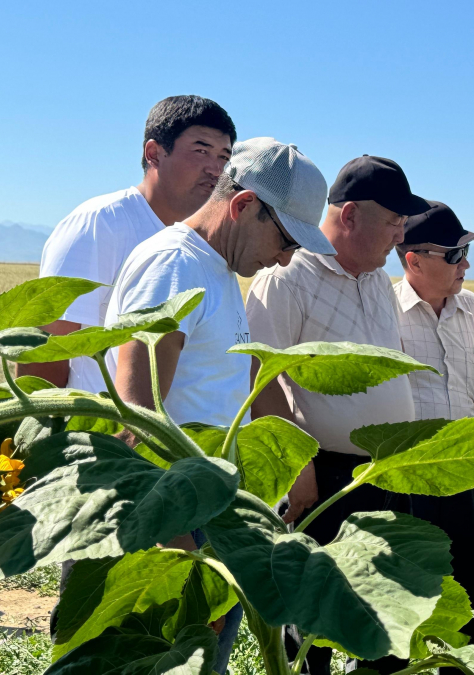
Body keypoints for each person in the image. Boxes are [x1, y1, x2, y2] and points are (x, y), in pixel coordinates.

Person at [107, 137, 334, 675]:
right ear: (242, 205)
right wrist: (184, 558)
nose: (285, 258)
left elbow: (244, 370)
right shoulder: (174, 267)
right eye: (285, 240)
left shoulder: (216, 270)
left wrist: (293, 455)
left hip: (204, 512)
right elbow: (136, 415)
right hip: (167, 521)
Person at [245, 155, 430, 675]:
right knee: (313, 619)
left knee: (389, 612)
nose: (400, 237)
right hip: (320, 478)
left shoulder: (374, 278)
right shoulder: (288, 275)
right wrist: (297, 470)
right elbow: (258, 377)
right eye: (393, 223)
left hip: (380, 472)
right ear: (348, 217)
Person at [23, 95, 236, 389]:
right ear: (154, 153)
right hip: (99, 428)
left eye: (224, 157)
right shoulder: (100, 224)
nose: (215, 169)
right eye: (201, 151)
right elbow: (46, 351)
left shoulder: (204, 242)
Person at [393, 200, 474, 649]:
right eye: (453, 255)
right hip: (404, 484)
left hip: (462, 481)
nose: (465, 264)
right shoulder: (382, 313)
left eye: (465, 252)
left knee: (463, 604)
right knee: (398, 609)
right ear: (412, 260)